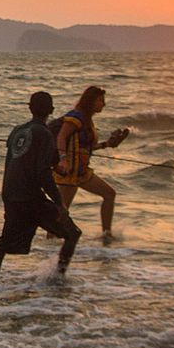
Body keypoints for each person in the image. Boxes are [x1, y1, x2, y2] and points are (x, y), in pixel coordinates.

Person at [0, 92, 80, 280]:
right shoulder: (45, 134)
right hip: (31, 199)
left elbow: (23, 160)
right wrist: (59, 203)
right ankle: (58, 278)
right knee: (72, 234)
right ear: (52, 110)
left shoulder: (16, 131)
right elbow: (42, 173)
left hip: (11, 196)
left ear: (29, 108)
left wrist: (58, 165)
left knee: (3, 245)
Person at [53, 86, 128, 244]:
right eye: (100, 100)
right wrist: (63, 159)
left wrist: (107, 144)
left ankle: (106, 234)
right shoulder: (76, 117)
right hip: (69, 172)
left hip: (81, 172)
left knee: (109, 194)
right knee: (62, 212)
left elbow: (86, 147)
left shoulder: (87, 120)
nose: (103, 104)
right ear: (90, 101)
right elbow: (61, 137)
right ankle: (49, 244)